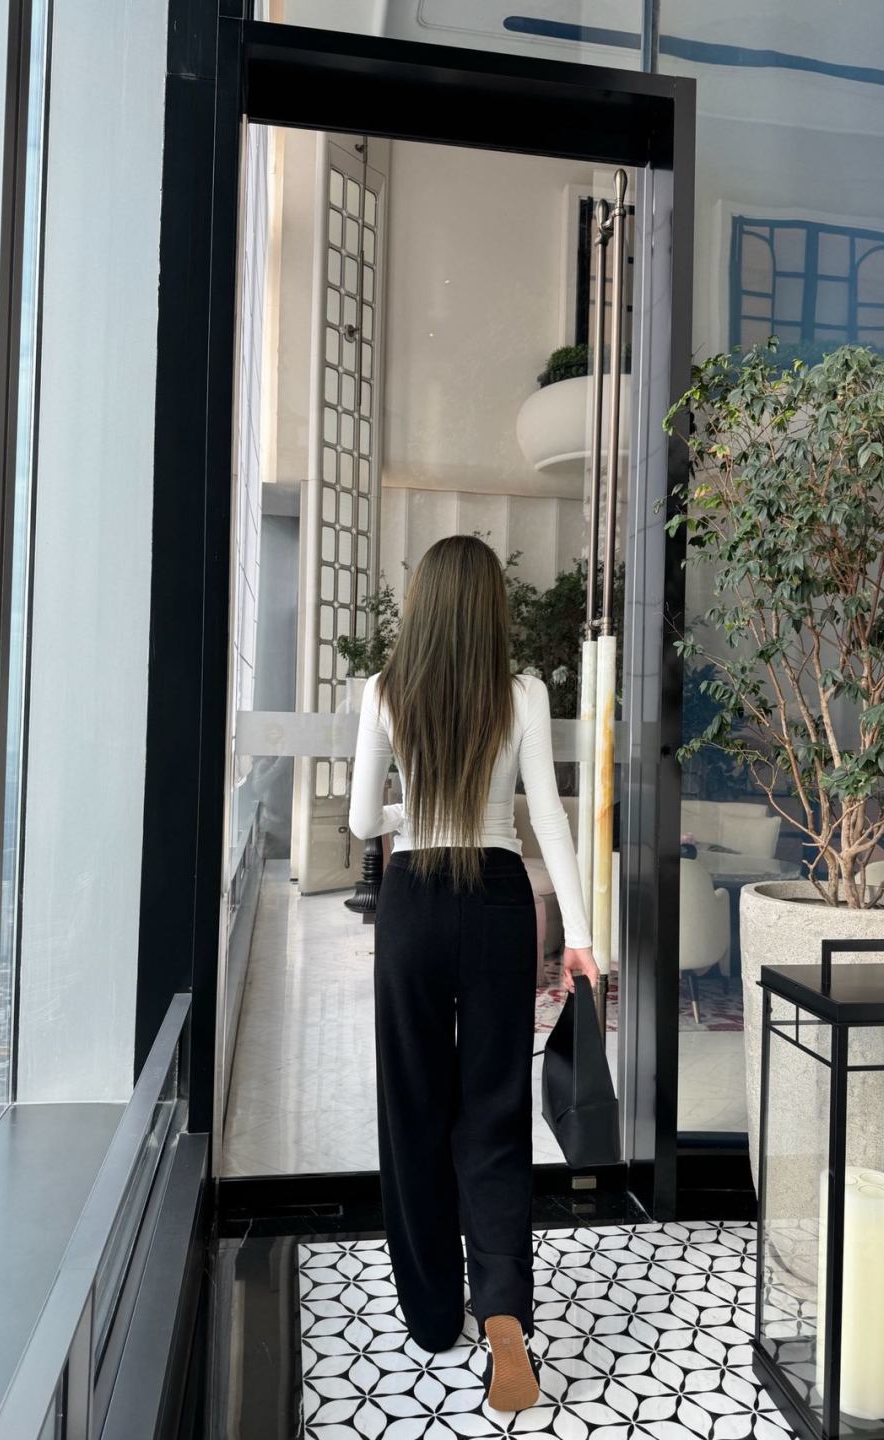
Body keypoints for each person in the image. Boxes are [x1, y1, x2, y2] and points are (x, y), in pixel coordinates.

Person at [349, 534, 599, 1412]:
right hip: (497, 902)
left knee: (413, 1110)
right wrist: (580, 936)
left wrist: (412, 807)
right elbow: (548, 819)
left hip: (415, 902)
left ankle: (430, 1315)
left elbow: (359, 820)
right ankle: (502, 1314)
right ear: (492, 606)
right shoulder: (523, 692)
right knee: (494, 1112)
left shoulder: (384, 690)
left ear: (420, 604)